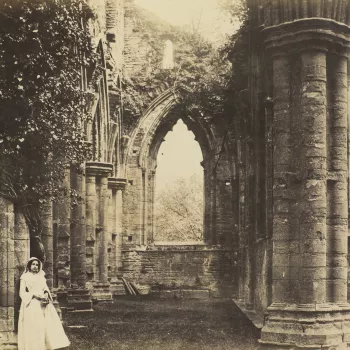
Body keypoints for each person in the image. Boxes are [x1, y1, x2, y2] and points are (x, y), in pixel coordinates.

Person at [18, 257, 70, 350]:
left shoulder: (41, 276)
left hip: (44, 303)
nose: (35, 266)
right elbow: (21, 293)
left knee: (47, 325)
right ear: (29, 266)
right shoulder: (25, 277)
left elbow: (45, 288)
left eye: (37, 265)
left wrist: (46, 294)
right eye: (33, 264)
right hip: (32, 302)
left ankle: (46, 345)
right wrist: (34, 295)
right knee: (35, 325)